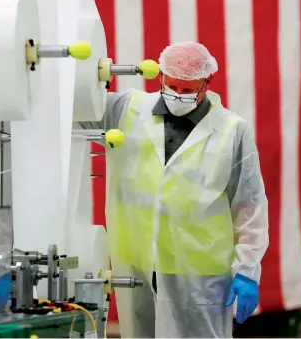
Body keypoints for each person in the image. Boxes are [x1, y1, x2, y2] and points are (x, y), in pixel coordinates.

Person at [80, 41, 269, 338]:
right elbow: (76, 109)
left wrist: (247, 270)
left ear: (207, 83)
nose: (178, 96)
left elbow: (250, 204)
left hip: (199, 269)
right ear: (161, 78)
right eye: (173, 87)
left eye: (187, 90)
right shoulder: (126, 110)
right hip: (137, 263)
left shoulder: (233, 130)